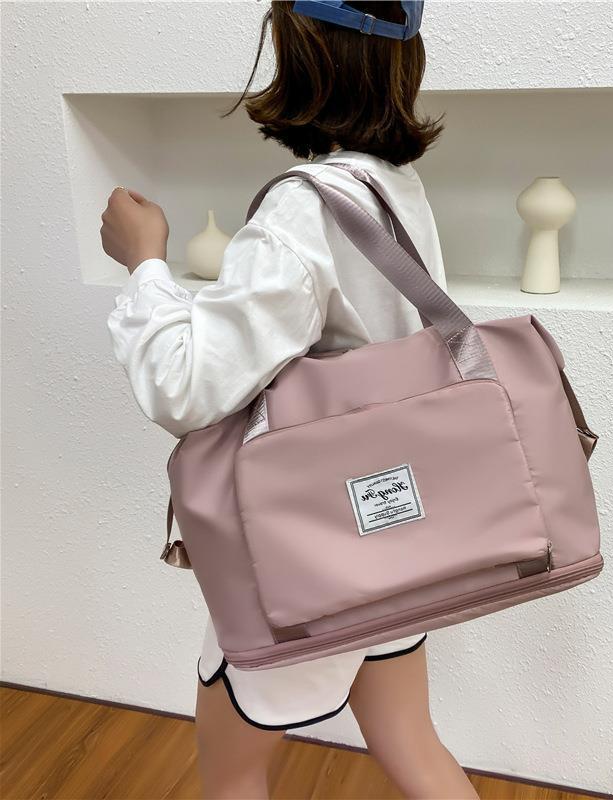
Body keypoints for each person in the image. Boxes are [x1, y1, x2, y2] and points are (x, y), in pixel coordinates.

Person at [101, 2, 479, 798]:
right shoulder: (394, 187)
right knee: (413, 743)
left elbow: (185, 387)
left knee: (233, 772)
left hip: (304, 553)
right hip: (395, 538)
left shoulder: (301, 211)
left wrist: (145, 264)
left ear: (298, 46)